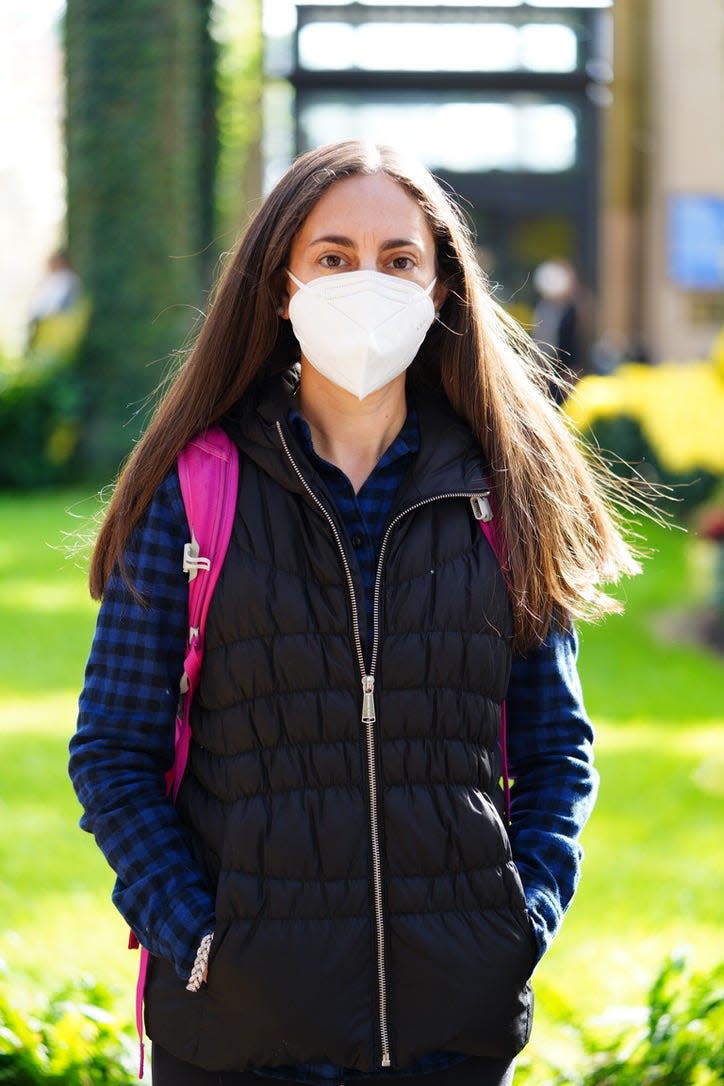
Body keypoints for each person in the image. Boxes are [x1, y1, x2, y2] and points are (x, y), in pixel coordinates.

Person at [69, 141, 639, 1086]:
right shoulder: (197, 487)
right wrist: (200, 943)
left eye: (399, 259)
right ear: (280, 285)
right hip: (234, 1036)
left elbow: (556, 751)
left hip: (452, 1029)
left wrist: (519, 924)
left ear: (442, 289)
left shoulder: (505, 493)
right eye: (332, 257)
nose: (365, 283)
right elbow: (113, 753)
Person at [532, 259, 586, 403]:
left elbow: (574, 343)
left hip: (565, 372)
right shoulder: (545, 308)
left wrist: (573, 371)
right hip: (548, 372)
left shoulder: (571, 310)